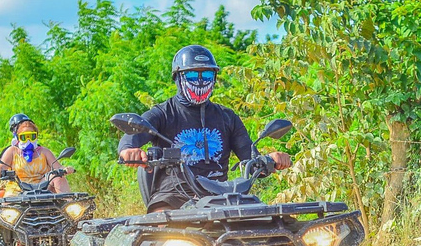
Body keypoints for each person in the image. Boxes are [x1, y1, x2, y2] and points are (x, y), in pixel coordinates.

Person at [118, 44, 292, 212]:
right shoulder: (163, 113)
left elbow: (250, 158)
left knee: (264, 226)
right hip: (173, 196)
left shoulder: (227, 117)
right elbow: (133, 134)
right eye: (193, 75)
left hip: (222, 196)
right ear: (178, 77)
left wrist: (270, 160)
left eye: (207, 75)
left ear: (214, 78)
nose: (200, 81)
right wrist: (128, 151)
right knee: (160, 228)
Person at [0, 114, 75, 204]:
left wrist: (66, 169)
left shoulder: (44, 151)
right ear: (18, 137)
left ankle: (70, 208)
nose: (28, 140)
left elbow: (58, 167)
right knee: (5, 205)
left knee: (58, 176)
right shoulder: (12, 151)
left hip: (42, 187)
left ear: (36, 136)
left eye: (31, 136)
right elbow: (0, 168)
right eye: (24, 137)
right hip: (17, 189)